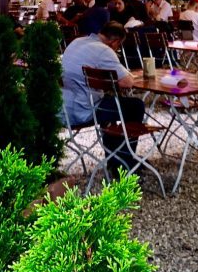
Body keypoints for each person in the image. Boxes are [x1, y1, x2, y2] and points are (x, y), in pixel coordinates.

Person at [60, 22, 146, 175]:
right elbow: (127, 82)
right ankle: (126, 161)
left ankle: (115, 159)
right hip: (84, 110)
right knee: (136, 106)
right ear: (115, 41)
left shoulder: (76, 42)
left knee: (110, 104)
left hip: (64, 108)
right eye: (119, 46)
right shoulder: (104, 50)